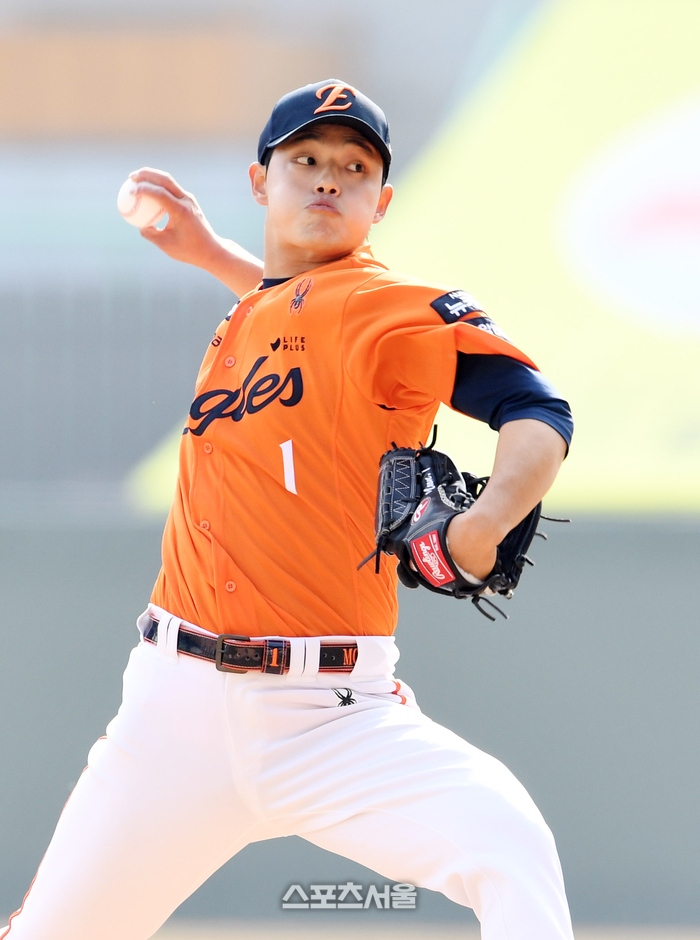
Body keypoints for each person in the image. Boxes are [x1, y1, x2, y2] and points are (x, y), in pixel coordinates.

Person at [2, 80, 575, 940]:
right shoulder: (253, 313)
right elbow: (288, 306)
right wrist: (207, 252)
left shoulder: (393, 308)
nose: (328, 177)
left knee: (508, 844)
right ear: (260, 181)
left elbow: (538, 410)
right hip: (171, 718)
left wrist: (485, 524)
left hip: (334, 716)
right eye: (305, 159)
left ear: (381, 203)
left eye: (355, 167)